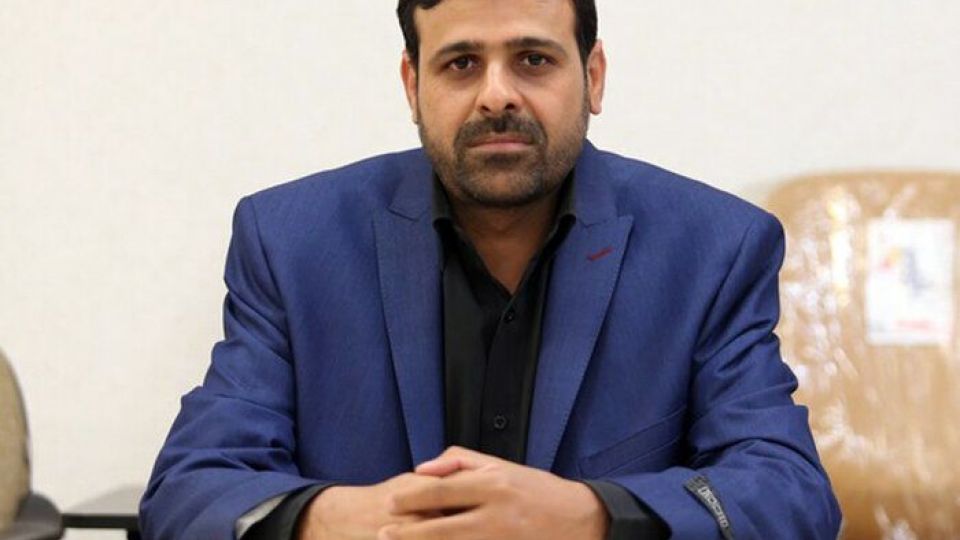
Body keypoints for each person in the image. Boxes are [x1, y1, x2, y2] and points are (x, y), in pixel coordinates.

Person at [140, 1, 842, 538]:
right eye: (461, 64)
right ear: (412, 84)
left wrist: (589, 516)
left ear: (593, 76)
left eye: (533, 59)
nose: (496, 95)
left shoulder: (712, 248)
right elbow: (190, 489)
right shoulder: (292, 242)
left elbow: (790, 494)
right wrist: (359, 517)